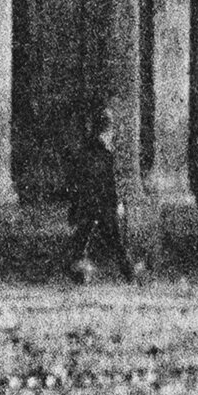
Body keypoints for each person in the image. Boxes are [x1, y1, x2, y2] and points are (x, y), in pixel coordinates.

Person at [65, 105, 137, 282]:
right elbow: (107, 184)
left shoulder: (86, 152)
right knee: (115, 242)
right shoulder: (103, 154)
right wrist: (116, 204)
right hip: (101, 206)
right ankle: (130, 275)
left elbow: (77, 182)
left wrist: (75, 206)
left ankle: (78, 274)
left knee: (82, 241)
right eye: (111, 129)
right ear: (106, 130)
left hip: (88, 204)